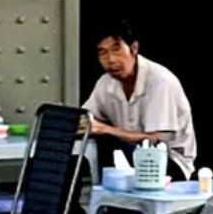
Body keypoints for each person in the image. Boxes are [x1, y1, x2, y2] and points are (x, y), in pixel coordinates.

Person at [82, 22, 196, 175]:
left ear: (133, 48)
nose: (111, 60)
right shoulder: (105, 83)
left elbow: (156, 139)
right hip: (129, 157)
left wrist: (106, 130)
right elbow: (88, 116)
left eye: (116, 50)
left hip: (168, 162)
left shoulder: (160, 81)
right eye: (103, 53)